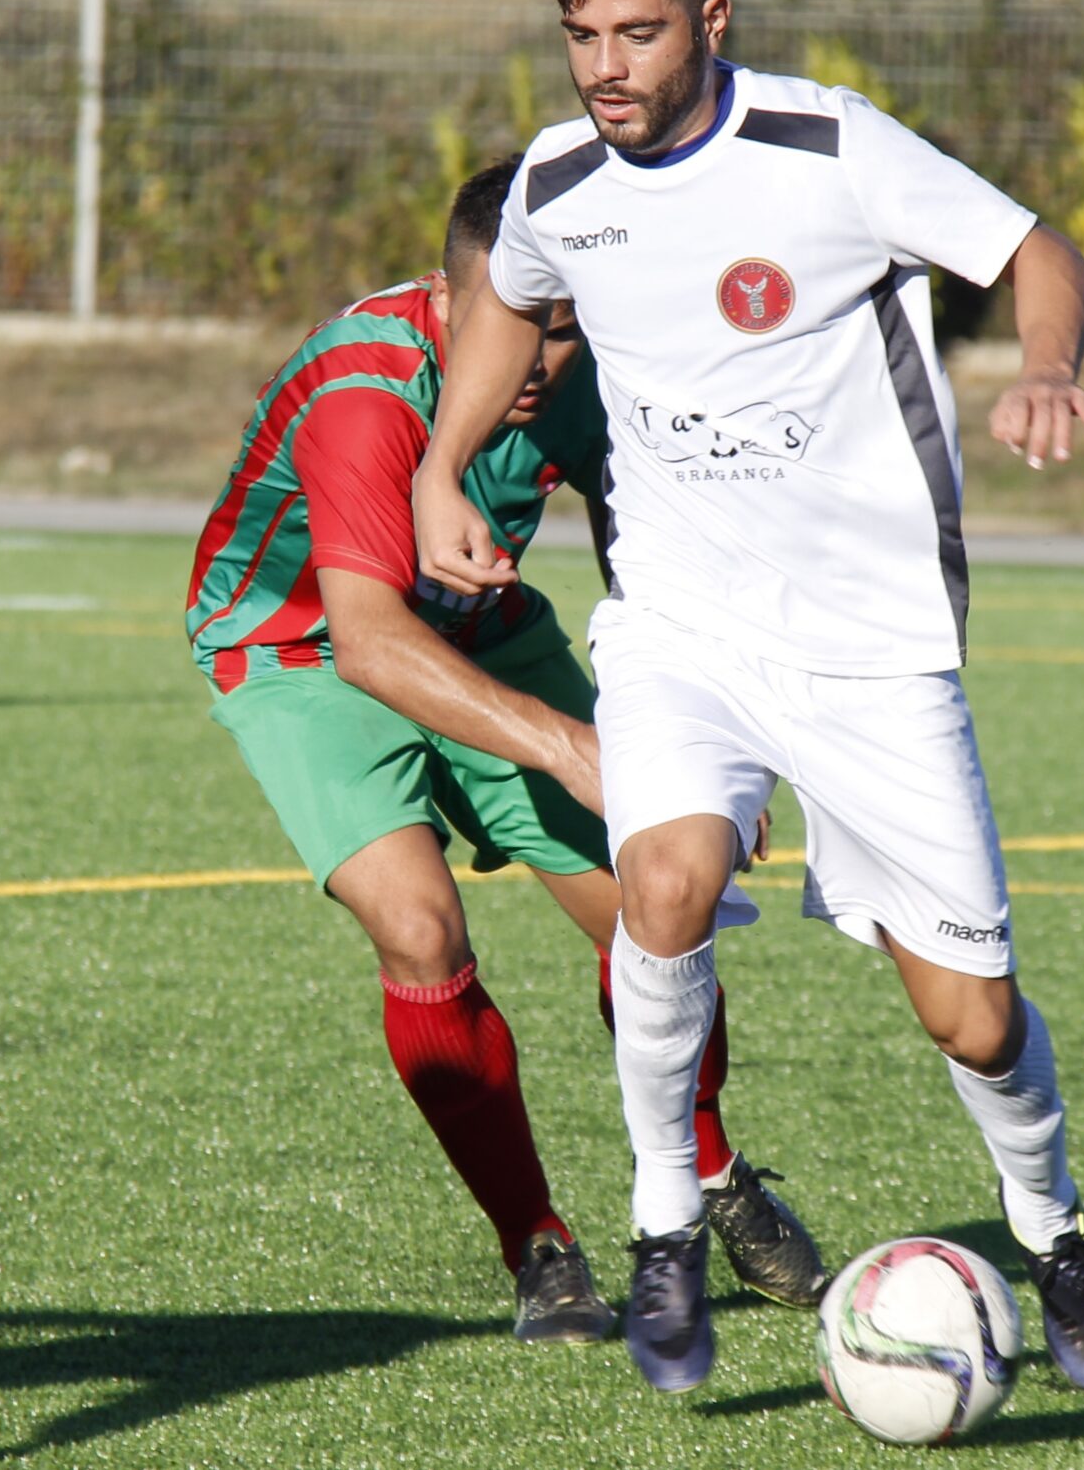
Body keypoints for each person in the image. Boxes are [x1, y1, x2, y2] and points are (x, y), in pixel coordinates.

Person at [412, 0, 1084, 1396]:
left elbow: (1034, 251)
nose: (609, 67)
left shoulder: (828, 145)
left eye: (641, 32)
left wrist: (1051, 362)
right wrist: (435, 465)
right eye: (584, 35)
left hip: (872, 644)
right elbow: (507, 308)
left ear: (710, 17)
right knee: (662, 881)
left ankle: (1053, 1224)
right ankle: (667, 1223)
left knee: (972, 1011)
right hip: (679, 622)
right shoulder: (554, 183)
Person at [184, 160, 829, 1343]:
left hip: (481, 629)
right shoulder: (364, 388)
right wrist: (585, 753)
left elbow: (662, 552)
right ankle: (534, 1238)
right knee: (419, 925)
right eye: (513, 326)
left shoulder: (593, 369)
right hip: (304, 648)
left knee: (657, 891)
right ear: (446, 294)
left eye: (564, 329)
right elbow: (374, 644)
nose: (538, 361)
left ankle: (708, 1170)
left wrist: (704, 736)